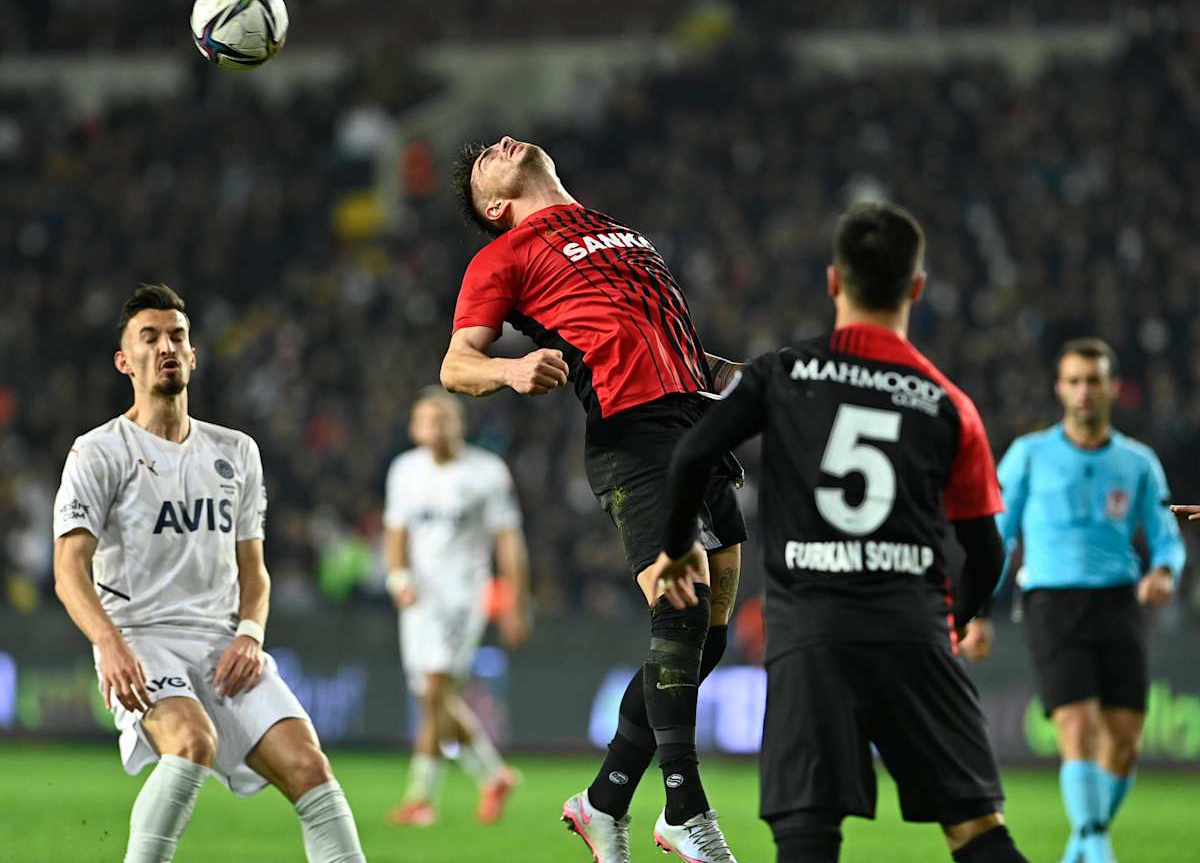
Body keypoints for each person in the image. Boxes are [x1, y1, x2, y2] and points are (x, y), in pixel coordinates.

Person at [655, 201, 1029, 863]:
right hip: (913, 633)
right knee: (979, 833)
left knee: (808, 838)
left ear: (833, 281)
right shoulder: (948, 404)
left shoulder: (782, 373)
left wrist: (679, 545)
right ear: (917, 288)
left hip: (811, 640)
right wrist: (955, 620)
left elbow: (691, 454)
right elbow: (987, 552)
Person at [443, 136, 746, 862]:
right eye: (485, 160)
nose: (500, 145)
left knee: (708, 637)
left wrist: (744, 381)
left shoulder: (618, 230)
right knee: (681, 607)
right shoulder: (502, 257)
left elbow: (666, 339)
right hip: (632, 432)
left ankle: (603, 802)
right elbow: (456, 365)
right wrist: (511, 372)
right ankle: (685, 810)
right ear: (496, 206)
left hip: (698, 423)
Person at [52, 284, 366, 863]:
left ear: (193, 356)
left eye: (177, 337)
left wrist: (250, 633)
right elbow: (68, 568)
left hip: (223, 645)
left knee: (310, 768)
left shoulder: (236, 451)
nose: (165, 347)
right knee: (193, 742)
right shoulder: (98, 452)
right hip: (141, 641)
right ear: (125, 361)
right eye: (149, 338)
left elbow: (254, 569)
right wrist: (108, 644)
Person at [962, 338, 1185, 863]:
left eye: (1094, 380)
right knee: (1076, 725)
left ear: (1112, 388)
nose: (1084, 390)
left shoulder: (1137, 462)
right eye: (1075, 381)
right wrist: (978, 610)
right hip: (1052, 602)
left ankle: (1082, 843)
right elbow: (998, 538)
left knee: (1125, 741)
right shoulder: (1030, 455)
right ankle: (1098, 845)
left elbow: (1167, 537)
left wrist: (1164, 571)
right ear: (1060, 388)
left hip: (1118, 604)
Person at [383, 386, 529, 827]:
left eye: (443, 419)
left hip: (463, 597)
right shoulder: (404, 470)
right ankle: (494, 775)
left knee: (434, 689)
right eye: (426, 420)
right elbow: (395, 531)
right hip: (419, 599)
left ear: (459, 425)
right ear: (414, 428)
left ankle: (420, 798)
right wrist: (398, 578)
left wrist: (516, 602)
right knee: (434, 697)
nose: (435, 427)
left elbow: (508, 539)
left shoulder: (486, 472)